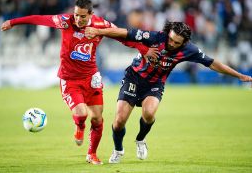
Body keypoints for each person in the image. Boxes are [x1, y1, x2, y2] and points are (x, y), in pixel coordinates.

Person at [0, 0, 158, 165]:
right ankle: (80, 127)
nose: (78, 19)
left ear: (91, 14)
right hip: (69, 80)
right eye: (76, 15)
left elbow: (123, 37)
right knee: (82, 113)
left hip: (91, 78)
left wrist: (144, 50)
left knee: (97, 119)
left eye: (82, 16)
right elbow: (40, 19)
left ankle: (92, 154)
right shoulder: (65, 21)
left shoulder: (100, 25)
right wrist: (13, 22)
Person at [85, 21, 252, 164]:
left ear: (185, 42)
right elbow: (125, 33)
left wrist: (239, 75)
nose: (171, 44)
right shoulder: (155, 37)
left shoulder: (190, 50)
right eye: (170, 39)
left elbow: (212, 63)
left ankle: (141, 139)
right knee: (119, 120)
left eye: (176, 42)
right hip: (134, 78)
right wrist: (99, 31)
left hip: (155, 84)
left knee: (149, 113)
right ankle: (118, 150)